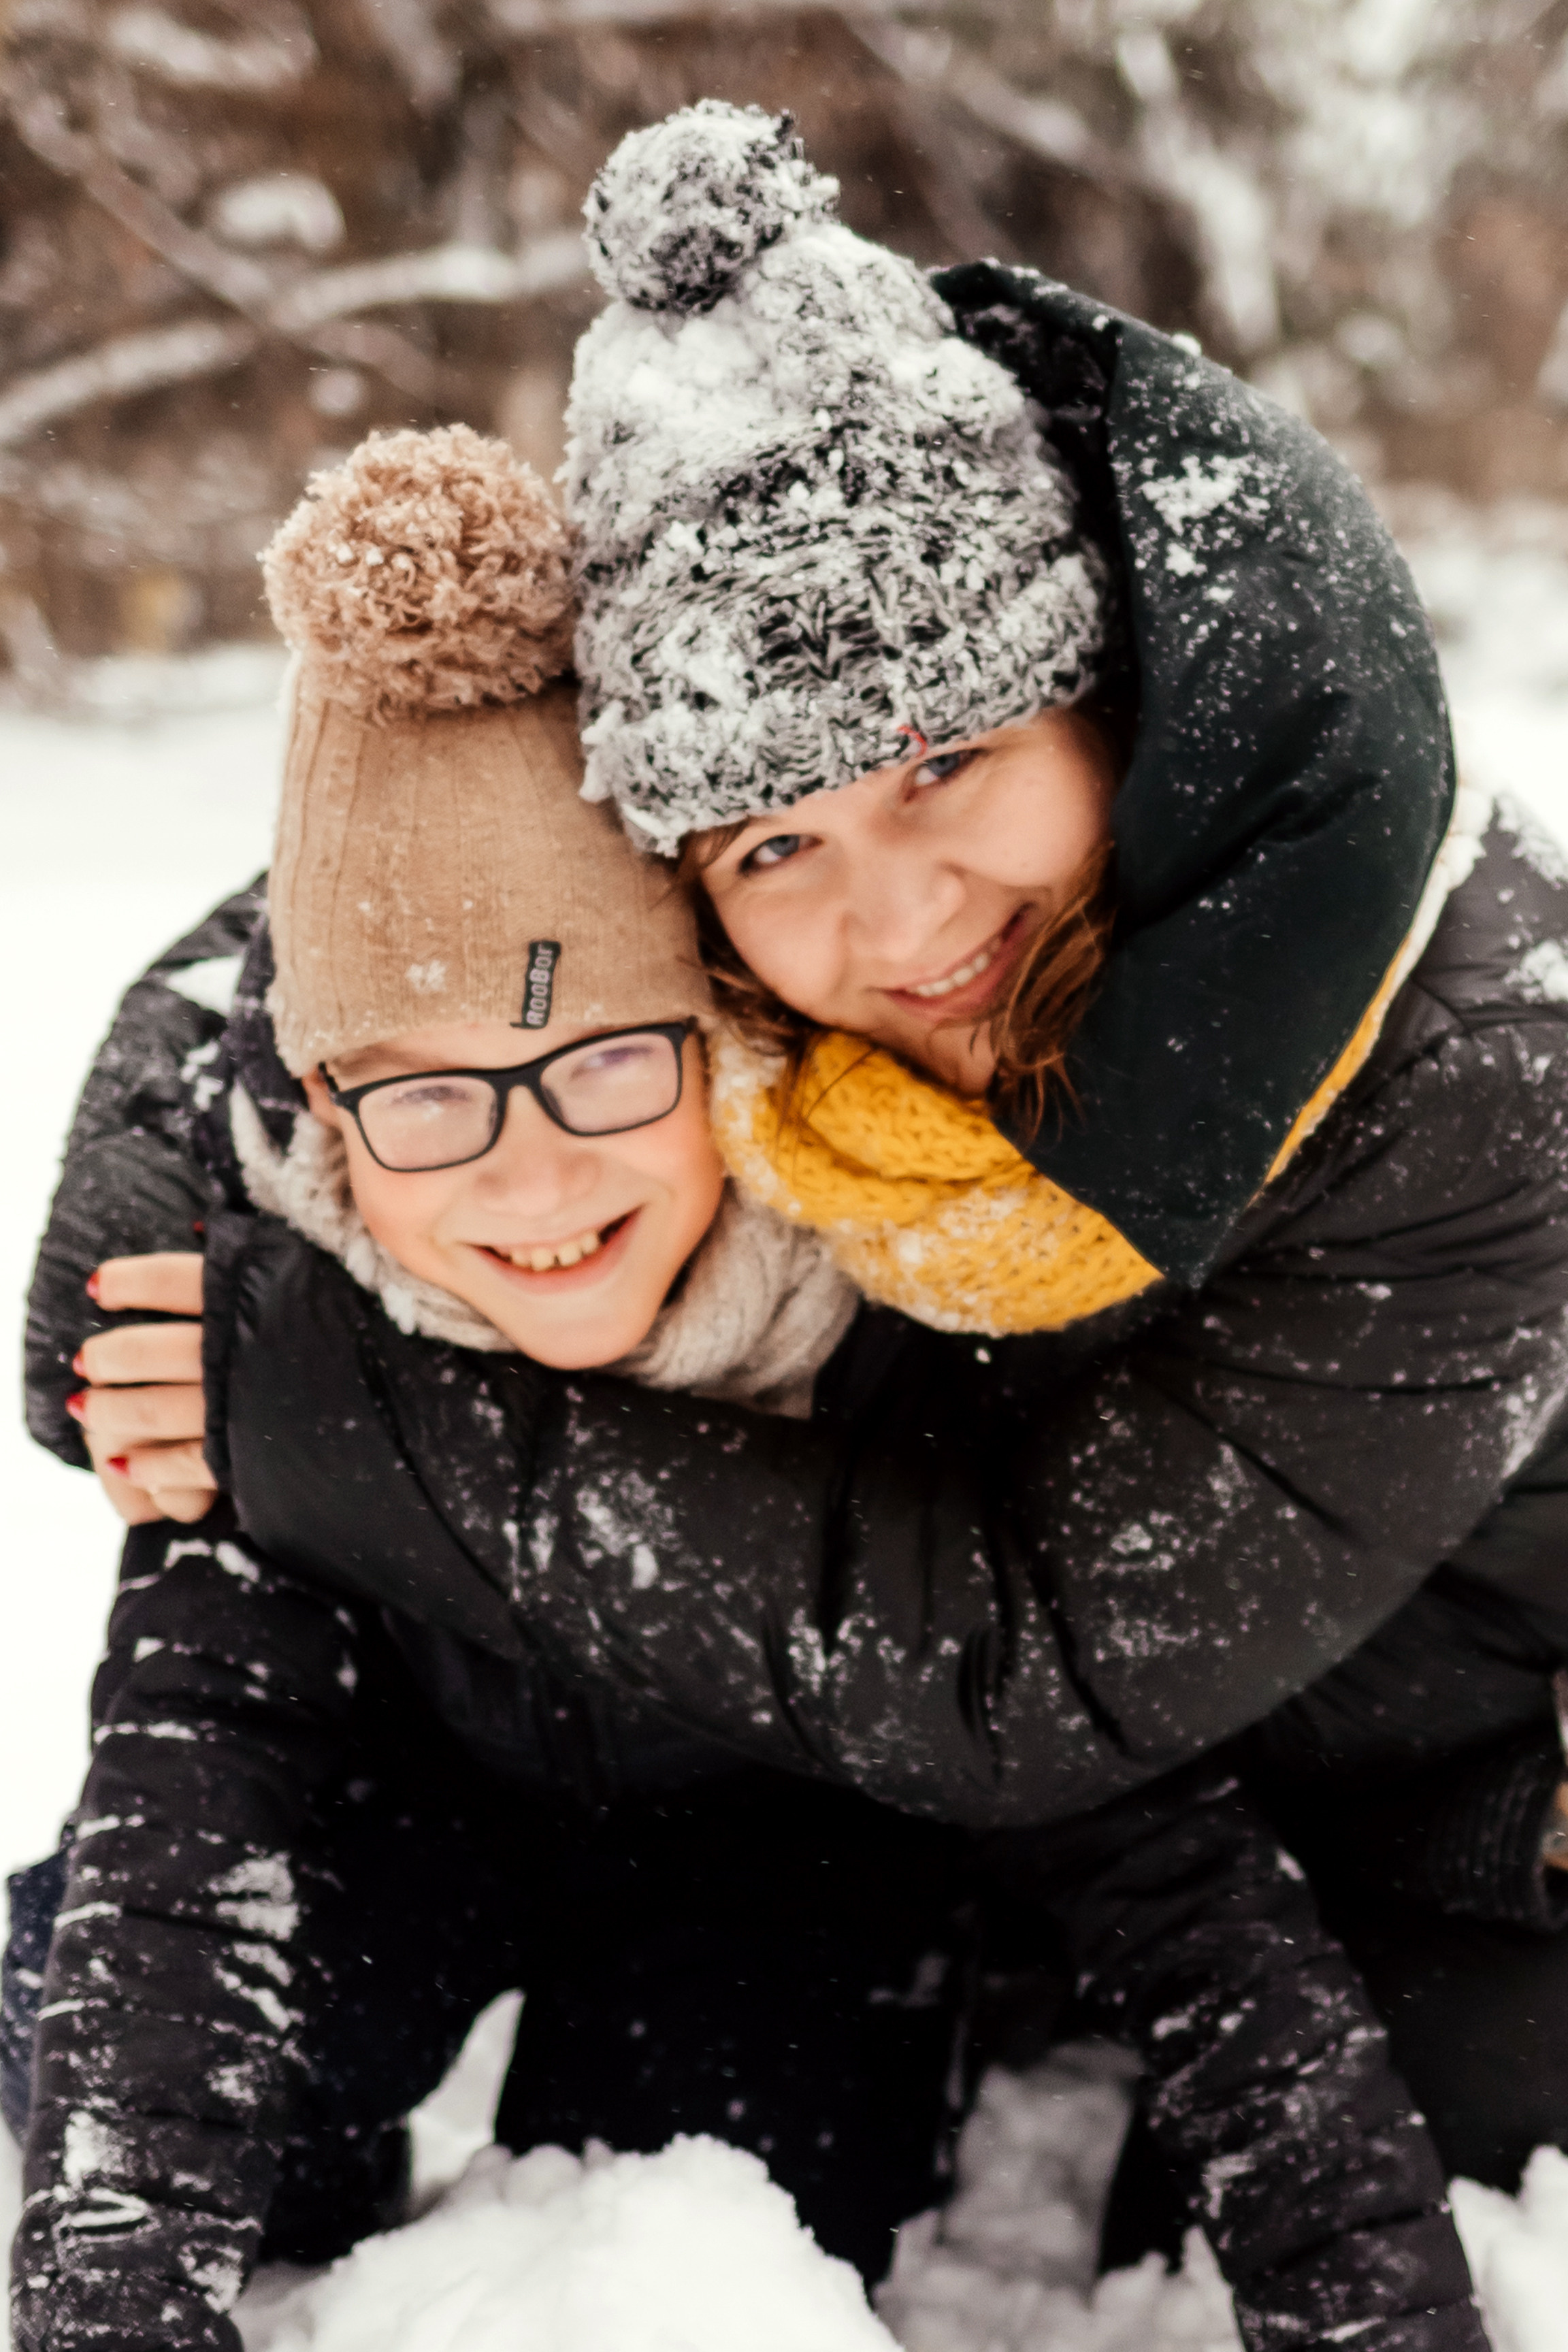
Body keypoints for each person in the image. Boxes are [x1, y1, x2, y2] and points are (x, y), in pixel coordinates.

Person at [7, 424, 1485, 2352]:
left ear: (722, 1045)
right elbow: (190, 1808)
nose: (533, 1185)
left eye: (609, 1068)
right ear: (329, 1117)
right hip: (421, 1809)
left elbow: (1152, 1835)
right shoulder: (276, 1316)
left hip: (791, 1834)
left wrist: (1364, 2298)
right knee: (95, 2027)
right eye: (431, 1100)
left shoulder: (886, 1305)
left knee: (707, 2212)